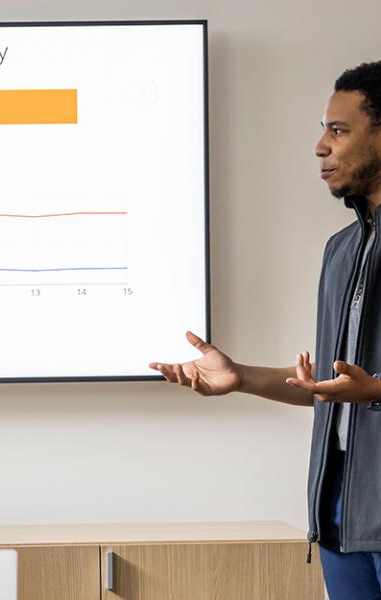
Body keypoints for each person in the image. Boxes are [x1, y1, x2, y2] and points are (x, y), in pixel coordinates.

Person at [150, 60, 381, 599]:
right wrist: (240, 377)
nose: (321, 147)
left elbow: (365, 388)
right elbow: (331, 387)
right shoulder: (342, 250)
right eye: (323, 129)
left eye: (339, 130)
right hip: (341, 518)